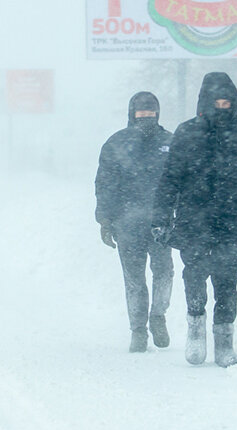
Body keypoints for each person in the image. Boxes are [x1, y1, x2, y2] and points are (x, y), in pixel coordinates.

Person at [151, 72, 237, 367]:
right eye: (217, 101)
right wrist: (161, 217)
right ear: (205, 102)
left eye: (227, 101)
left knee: (227, 283)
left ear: (236, 103)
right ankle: (195, 333)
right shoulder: (186, 133)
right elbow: (169, 180)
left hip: (231, 221)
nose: (223, 106)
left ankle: (224, 344)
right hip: (193, 221)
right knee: (193, 277)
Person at [95, 91, 174, 352]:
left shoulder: (171, 142)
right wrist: (105, 220)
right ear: (132, 113)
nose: (146, 117)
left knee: (164, 274)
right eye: (141, 113)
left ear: (158, 113)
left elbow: (182, 183)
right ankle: (138, 330)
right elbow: (104, 184)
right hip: (127, 224)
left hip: (162, 223)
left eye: (150, 112)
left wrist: (181, 215)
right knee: (134, 279)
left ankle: (158, 316)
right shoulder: (116, 143)